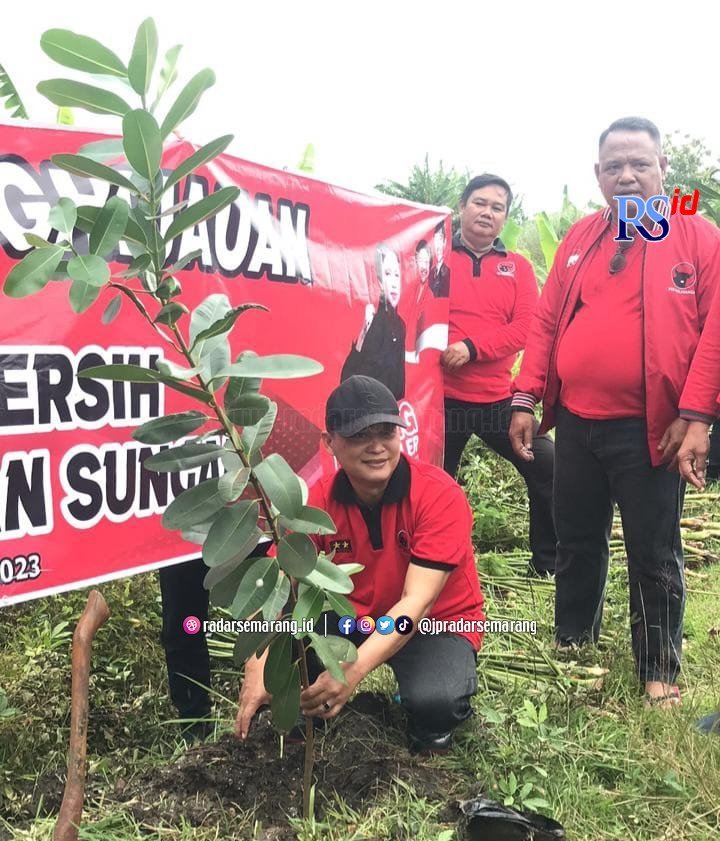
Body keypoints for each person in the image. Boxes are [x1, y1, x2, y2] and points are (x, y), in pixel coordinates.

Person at [508, 117, 720, 706]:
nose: (626, 176)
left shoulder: (696, 236)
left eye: (639, 164)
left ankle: (658, 670)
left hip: (653, 427)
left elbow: (714, 334)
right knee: (577, 536)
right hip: (576, 421)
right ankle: (575, 639)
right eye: (613, 167)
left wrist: (698, 415)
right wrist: (525, 397)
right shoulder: (581, 238)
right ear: (598, 176)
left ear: (662, 169)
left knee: (654, 548)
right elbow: (547, 322)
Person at [235, 375, 485, 753]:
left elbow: (417, 603)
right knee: (288, 653)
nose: (376, 447)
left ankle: (422, 711)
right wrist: (257, 665)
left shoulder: (439, 495)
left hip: (435, 622)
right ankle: (306, 716)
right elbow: (276, 583)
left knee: (436, 701)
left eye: (386, 432)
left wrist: (349, 675)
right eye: (358, 435)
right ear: (329, 442)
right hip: (351, 616)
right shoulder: (316, 503)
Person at [442, 173, 557, 575]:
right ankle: (433, 567)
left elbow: (527, 328)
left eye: (497, 207)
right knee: (430, 486)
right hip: (439, 402)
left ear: (505, 217)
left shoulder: (518, 267)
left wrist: (472, 348)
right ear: (462, 206)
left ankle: (547, 563)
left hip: (496, 400)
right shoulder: (434, 257)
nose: (487, 213)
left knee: (548, 466)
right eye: (479, 203)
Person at [341, 244, 406, 399]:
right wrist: (363, 332)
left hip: (391, 413)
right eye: (388, 274)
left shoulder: (400, 325)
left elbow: (398, 389)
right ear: (379, 281)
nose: (394, 282)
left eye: (397, 275)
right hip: (367, 411)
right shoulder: (372, 323)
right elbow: (347, 379)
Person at [429, 221, 450, 297]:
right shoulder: (430, 273)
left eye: (440, 239)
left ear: (444, 242)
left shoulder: (448, 274)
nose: (437, 246)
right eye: (435, 239)